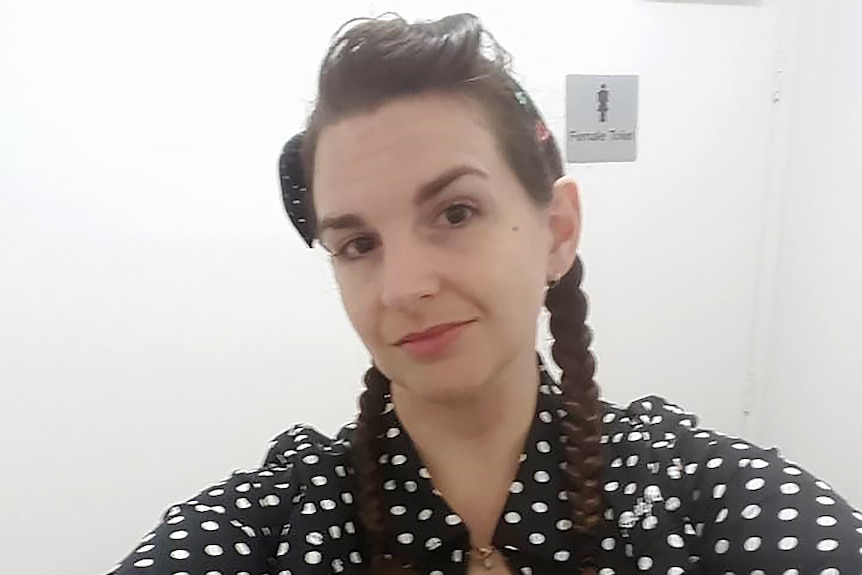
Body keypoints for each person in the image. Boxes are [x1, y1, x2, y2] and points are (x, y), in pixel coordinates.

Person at [109, 13, 862, 575]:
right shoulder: (280, 522)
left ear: (557, 230)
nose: (403, 288)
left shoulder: (694, 497)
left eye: (455, 212)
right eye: (358, 244)